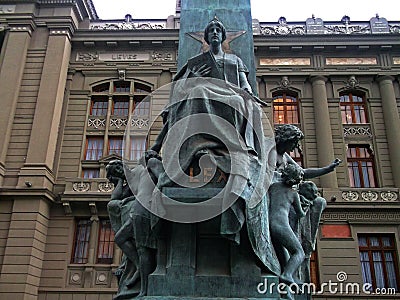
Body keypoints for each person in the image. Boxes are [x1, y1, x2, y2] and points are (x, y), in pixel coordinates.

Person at [269, 164, 306, 285]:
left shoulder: (273, 187)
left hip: (269, 225)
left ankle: (286, 289)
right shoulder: (293, 193)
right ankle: (287, 274)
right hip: (282, 226)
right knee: (299, 252)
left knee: (283, 254)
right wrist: (305, 207)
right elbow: (300, 214)